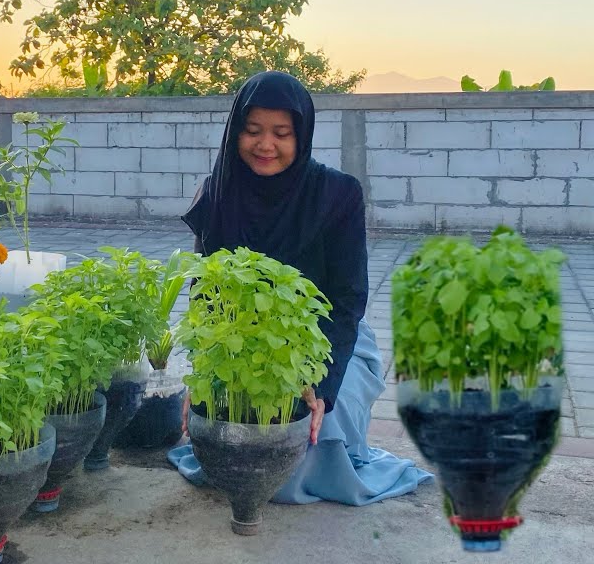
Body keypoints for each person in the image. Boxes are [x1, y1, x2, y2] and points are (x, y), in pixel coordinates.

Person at [167, 70, 433, 506]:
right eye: (252, 131)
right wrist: (201, 374)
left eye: (281, 133)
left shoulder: (337, 194)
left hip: (327, 344)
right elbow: (205, 292)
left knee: (305, 442)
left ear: (302, 135)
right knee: (239, 436)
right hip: (240, 344)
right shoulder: (218, 193)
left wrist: (321, 387)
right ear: (235, 132)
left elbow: (348, 301)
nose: (265, 145)